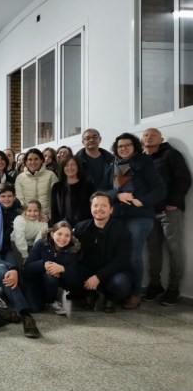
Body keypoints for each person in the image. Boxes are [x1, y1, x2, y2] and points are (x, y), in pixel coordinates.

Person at [105, 132, 166, 309]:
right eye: (120, 146)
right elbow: (101, 190)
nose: (123, 149)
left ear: (135, 146)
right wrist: (117, 195)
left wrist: (143, 201)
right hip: (117, 216)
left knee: (133, 255)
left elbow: (160, 189)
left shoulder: (144, 162)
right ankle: (120, 291)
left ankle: (135, 294)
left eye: (127, 145)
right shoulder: (112, 165)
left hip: (139, 216)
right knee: (116, 255)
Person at [142, 128, 192, 305]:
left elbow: (183, 178)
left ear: (161, 139)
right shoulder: (140, 159)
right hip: (149, 212)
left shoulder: (171, 154)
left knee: (174, 248)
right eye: (146, 135)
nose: (149, 137)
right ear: (141, 140)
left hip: (169, 210)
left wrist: (174, 201)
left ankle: (173, 288)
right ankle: (155, 285)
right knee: (153, 250)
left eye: (153, 135)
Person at [73, 192, 134, 313]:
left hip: (112, 273)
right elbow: (70, 250)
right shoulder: (81, 227)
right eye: (95, 205)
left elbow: (121, 261)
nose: (99, 209)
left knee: (121, 283)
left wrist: (98, 276)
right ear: (91, 208)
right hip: (88, 271)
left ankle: (111, 298)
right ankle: (90, 294)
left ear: (111, 209)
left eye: (104, 205)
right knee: (69, 273)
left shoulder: (122, 231)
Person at [22, 221, 79, 315]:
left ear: (71, 237)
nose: (63, 238)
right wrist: (43, 264)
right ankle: (42, 296)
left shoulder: (72, 249)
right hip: (34, 280)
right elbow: (26, 268)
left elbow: (74, 276)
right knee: (35, 308)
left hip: (53, 281)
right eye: (59, 234)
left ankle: (52, 301)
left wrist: (62, 269)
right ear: (52, 234)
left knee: (50, 277)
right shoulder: (41, 243)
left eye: (67, 235)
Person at [50, 155, 94, 227]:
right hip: (62, 228)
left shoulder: (88, 186)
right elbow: (54, 211)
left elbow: (91, 209)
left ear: (78, 167)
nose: (70, 167)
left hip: (84, 227)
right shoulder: (57, 187)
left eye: (73, 165)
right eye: (66, 165)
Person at [15, 148, 58, 219]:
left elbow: (56, 199)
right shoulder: (20, 178)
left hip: (47, 218)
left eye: (36, 159)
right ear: (25, 162)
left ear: (41, 160)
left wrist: (49, 216)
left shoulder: (51, 175)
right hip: (28, 219)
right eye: (30, 159)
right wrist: (29, 215)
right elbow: (20, 201)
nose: (33, 162)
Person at [11, 199, 48, 264]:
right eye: (29, 211)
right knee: (21, 262)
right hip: (16, 242)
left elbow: (38, 240)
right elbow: (20, 239)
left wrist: (33, 254)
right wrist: (25, 256)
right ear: (25, 211)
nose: (32, 214)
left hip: (31, 242)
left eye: (35, 211)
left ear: (39, 211)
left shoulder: (43, 223)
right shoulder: (20, 220)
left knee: (34, 260)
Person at [0, 182, 22, 266]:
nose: (6, 199)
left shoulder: (20, 214)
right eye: (3, 196)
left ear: (14, 197)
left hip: (11, 249)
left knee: (12, 266)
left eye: (9, 196)